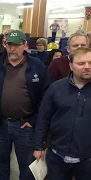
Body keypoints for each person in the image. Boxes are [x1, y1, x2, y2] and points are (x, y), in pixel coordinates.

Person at [0, 30, 50, 180]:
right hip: (0, 124)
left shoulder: (37, 66)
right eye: (9, 45)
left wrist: (33, 121)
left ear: (25, 45)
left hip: (25, 126)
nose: (12, 49)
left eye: (16, 45)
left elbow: (46, 98)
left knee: (27, 167)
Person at [33, 47, 91, 180]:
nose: (87, 67)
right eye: (81, 63)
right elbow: (44, 118)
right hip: (57, 155)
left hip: (87, 160)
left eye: (90, 63)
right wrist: (38, 146)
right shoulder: (56, 88)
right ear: (71, 66)